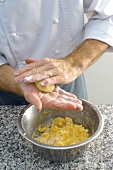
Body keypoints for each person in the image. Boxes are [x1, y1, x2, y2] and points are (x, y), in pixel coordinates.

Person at [0, 0, 112, 111]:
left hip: (68, 82)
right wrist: (18, 84)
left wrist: (74, 64)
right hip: (6, 87)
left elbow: (108, 15)